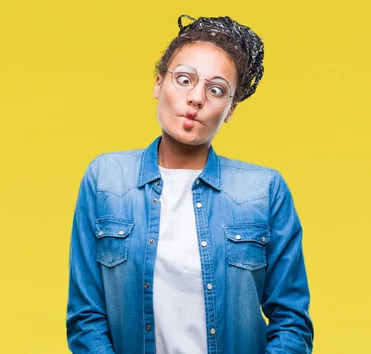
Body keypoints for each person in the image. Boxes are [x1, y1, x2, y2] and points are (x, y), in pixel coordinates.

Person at [66, 14, 314, 354]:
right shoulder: (105, 180)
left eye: (216, 90)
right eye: (184, 79)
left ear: (230, 110)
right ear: (158, 84)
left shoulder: (264, 191)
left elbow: (291, 321)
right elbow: (86, 317)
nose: (196, 98)